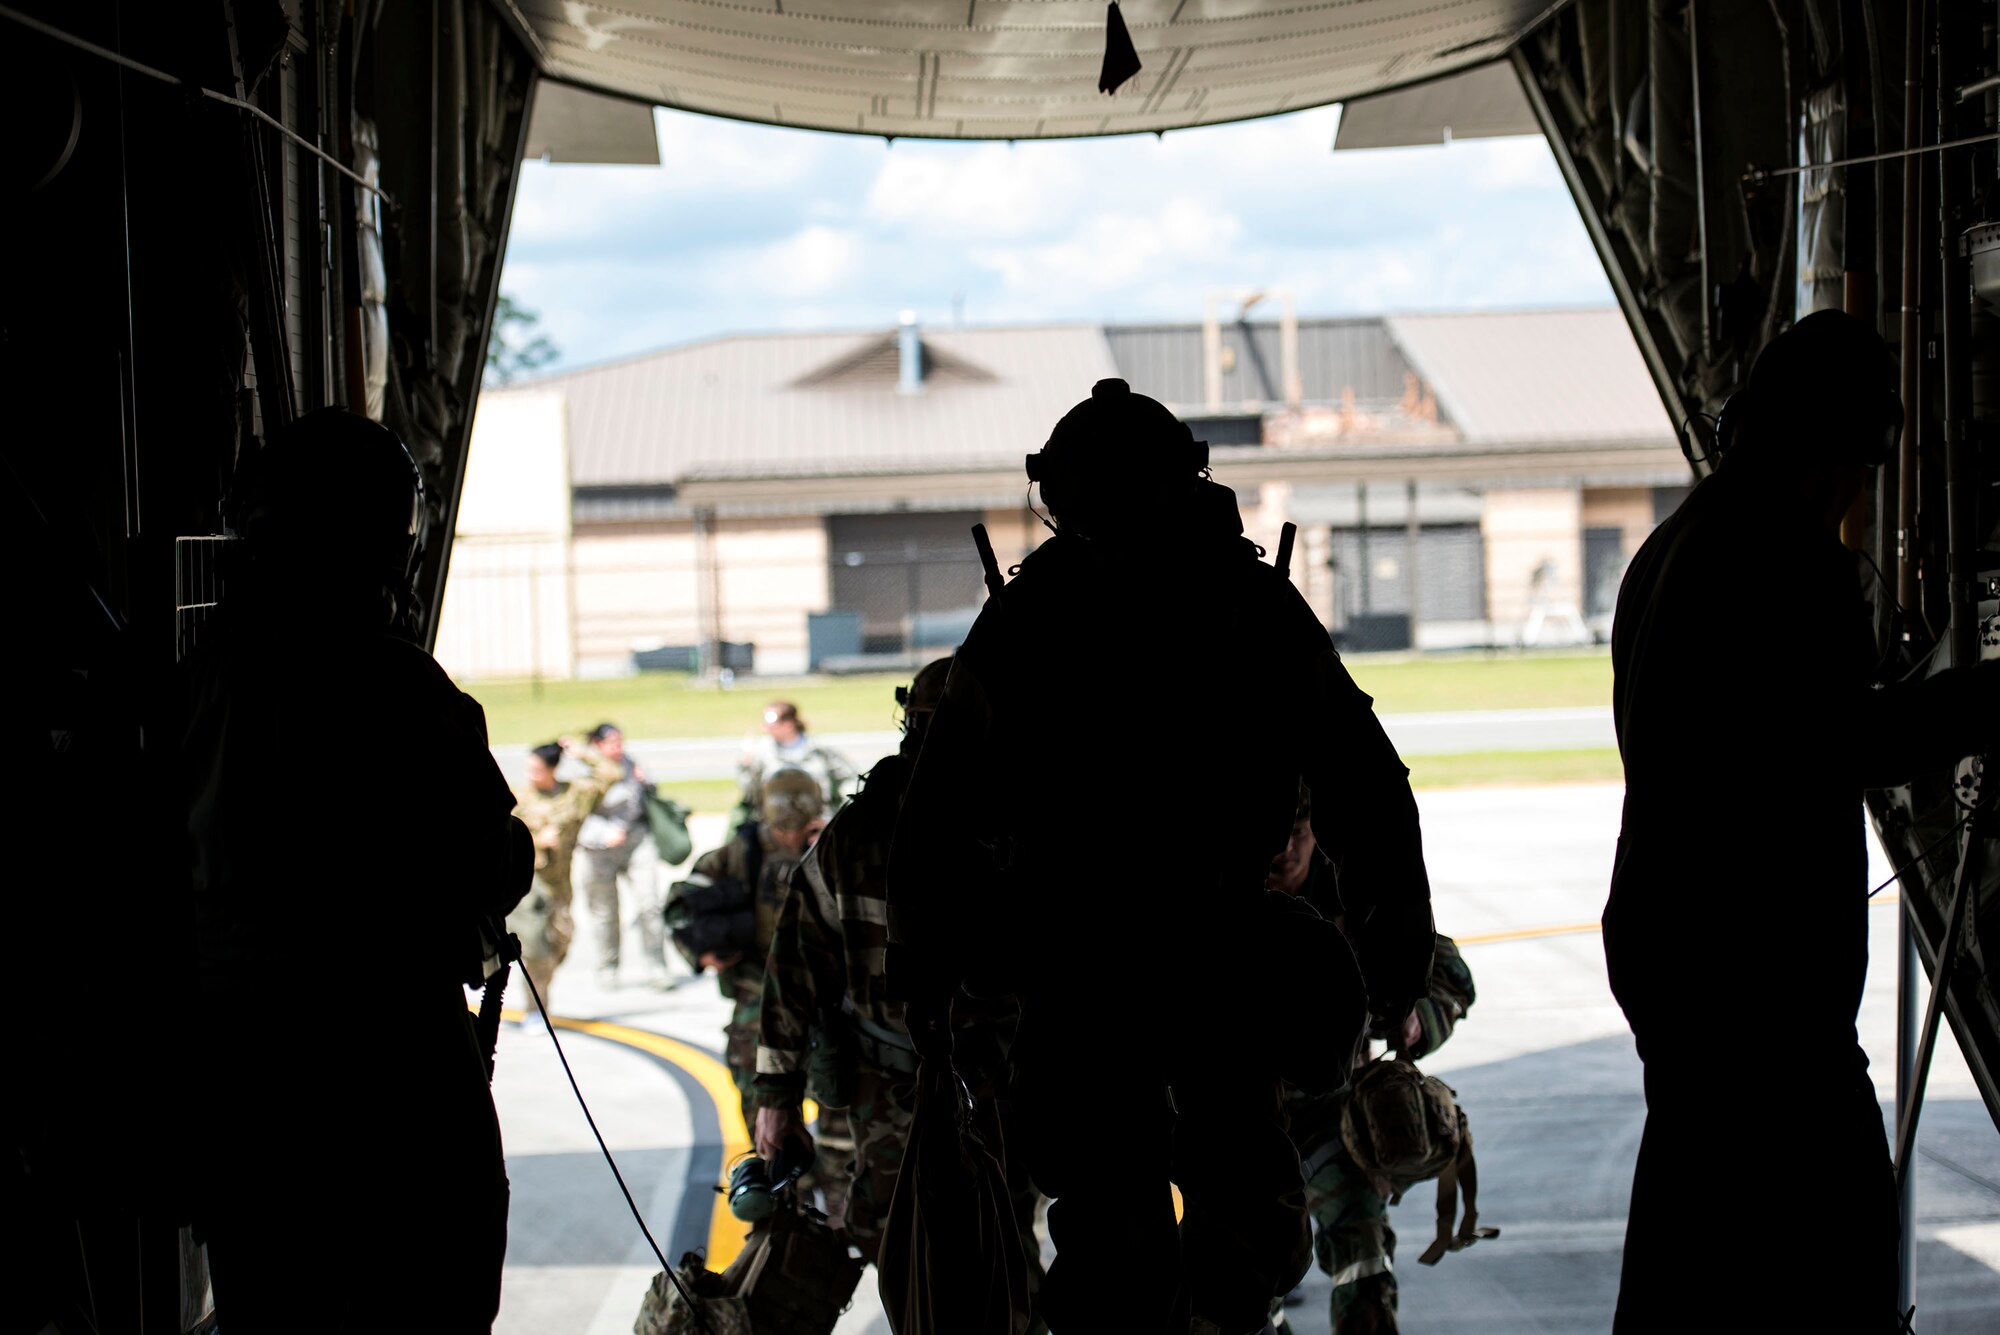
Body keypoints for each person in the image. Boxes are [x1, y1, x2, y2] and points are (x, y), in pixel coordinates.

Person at [887, 379, 1436, 1335]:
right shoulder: (1247, 600)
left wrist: (929, 971)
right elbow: (1362, 779)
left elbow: (935, 811)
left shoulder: (1033, 615)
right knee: (1239, 1223)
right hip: (1218, 959)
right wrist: (1397, 953)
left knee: (1111, 1235)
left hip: (1086, 971)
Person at [1605, 309, 2000, 1333]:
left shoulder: (1668, 549)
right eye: (1858, 465)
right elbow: (1844, 743)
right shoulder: (1785, 559)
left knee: (1690, 1239)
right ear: (1828, 450)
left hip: (1673, 954)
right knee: (1829, 1258)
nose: (1854, 496)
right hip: (1760, 983)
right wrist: (1987, 698)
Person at [178, 408, 531, 1332]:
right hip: (389, 1080)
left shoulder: (192, 685)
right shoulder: (396, 687)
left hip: (242, 1091)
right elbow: (492, 862)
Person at [752, 658, 1043, 1289]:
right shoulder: (856, 839)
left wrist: (775, 1101)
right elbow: (795, 969)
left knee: (993, 1260)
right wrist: (775, 1097)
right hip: (904, 1095)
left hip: (986, 1088)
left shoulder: (1027, 833)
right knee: (930, 1260)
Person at [1266, 796, 1476, 1334]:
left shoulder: (1352, 896)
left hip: (1327, 1117)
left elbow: (1451, 978)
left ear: (1315, 828)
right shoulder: (1213, 897)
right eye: (1271, 830)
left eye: (1298, 830)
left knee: (1362, 1252)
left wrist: (1414, 1021)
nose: (1285, 849)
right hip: (1231, 1119)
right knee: (1240, 1286)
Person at [675, 768, 831, 1131]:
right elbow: (681, 904)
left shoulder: (834, 848)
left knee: (835, 1094)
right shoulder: (742, 853)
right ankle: (776, 1178)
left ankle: (828, 1176)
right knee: (758, 1094)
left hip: (826, 993)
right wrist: (702, 952)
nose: (790, 831)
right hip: (758, 991)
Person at [508, 738, 621, 1021]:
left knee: (560, 944)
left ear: (552, 769)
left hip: (560, 887)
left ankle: (541, 981)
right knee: (534, 948)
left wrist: (582, 753)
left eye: (536, 769)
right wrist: (536, 841)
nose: (530, 775)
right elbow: (497, 838)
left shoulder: (575, 795)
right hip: (527, 886)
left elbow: (611, 773)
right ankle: (536, 1009)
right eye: (528, 769)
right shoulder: (518, 799)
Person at [576, 721, 666, 987]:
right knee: (605, 911)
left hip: (636, 841)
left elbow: (646, 798)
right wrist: (603, 833)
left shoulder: (630, 765)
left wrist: (645, 780)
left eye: (620, 742)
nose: (618, 748)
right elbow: (576, 816)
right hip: (598, 850)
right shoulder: (585, 775)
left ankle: (657, 966)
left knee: (649, 904)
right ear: (597, 746)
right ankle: (608, 967)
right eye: (611, 743)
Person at [736, 700, 857, 822]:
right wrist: (746, 764)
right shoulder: (762, 752)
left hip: (819, 820)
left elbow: (848, 779)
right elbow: (750, 793)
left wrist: (844, 810)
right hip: (775, 824)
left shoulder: (819, 750)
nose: (765, 728)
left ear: (788, 724)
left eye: (771, 724)